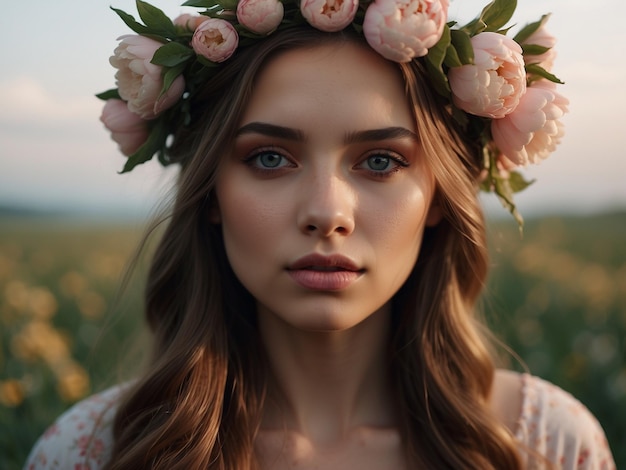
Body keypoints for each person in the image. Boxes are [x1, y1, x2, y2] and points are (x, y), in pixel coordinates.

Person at [25, 0, 615, 468]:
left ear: (438, 196)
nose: (327, 212)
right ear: (210, 194)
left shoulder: (546, 448)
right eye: (270, 159)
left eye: (381, 161)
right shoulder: (92, 453)